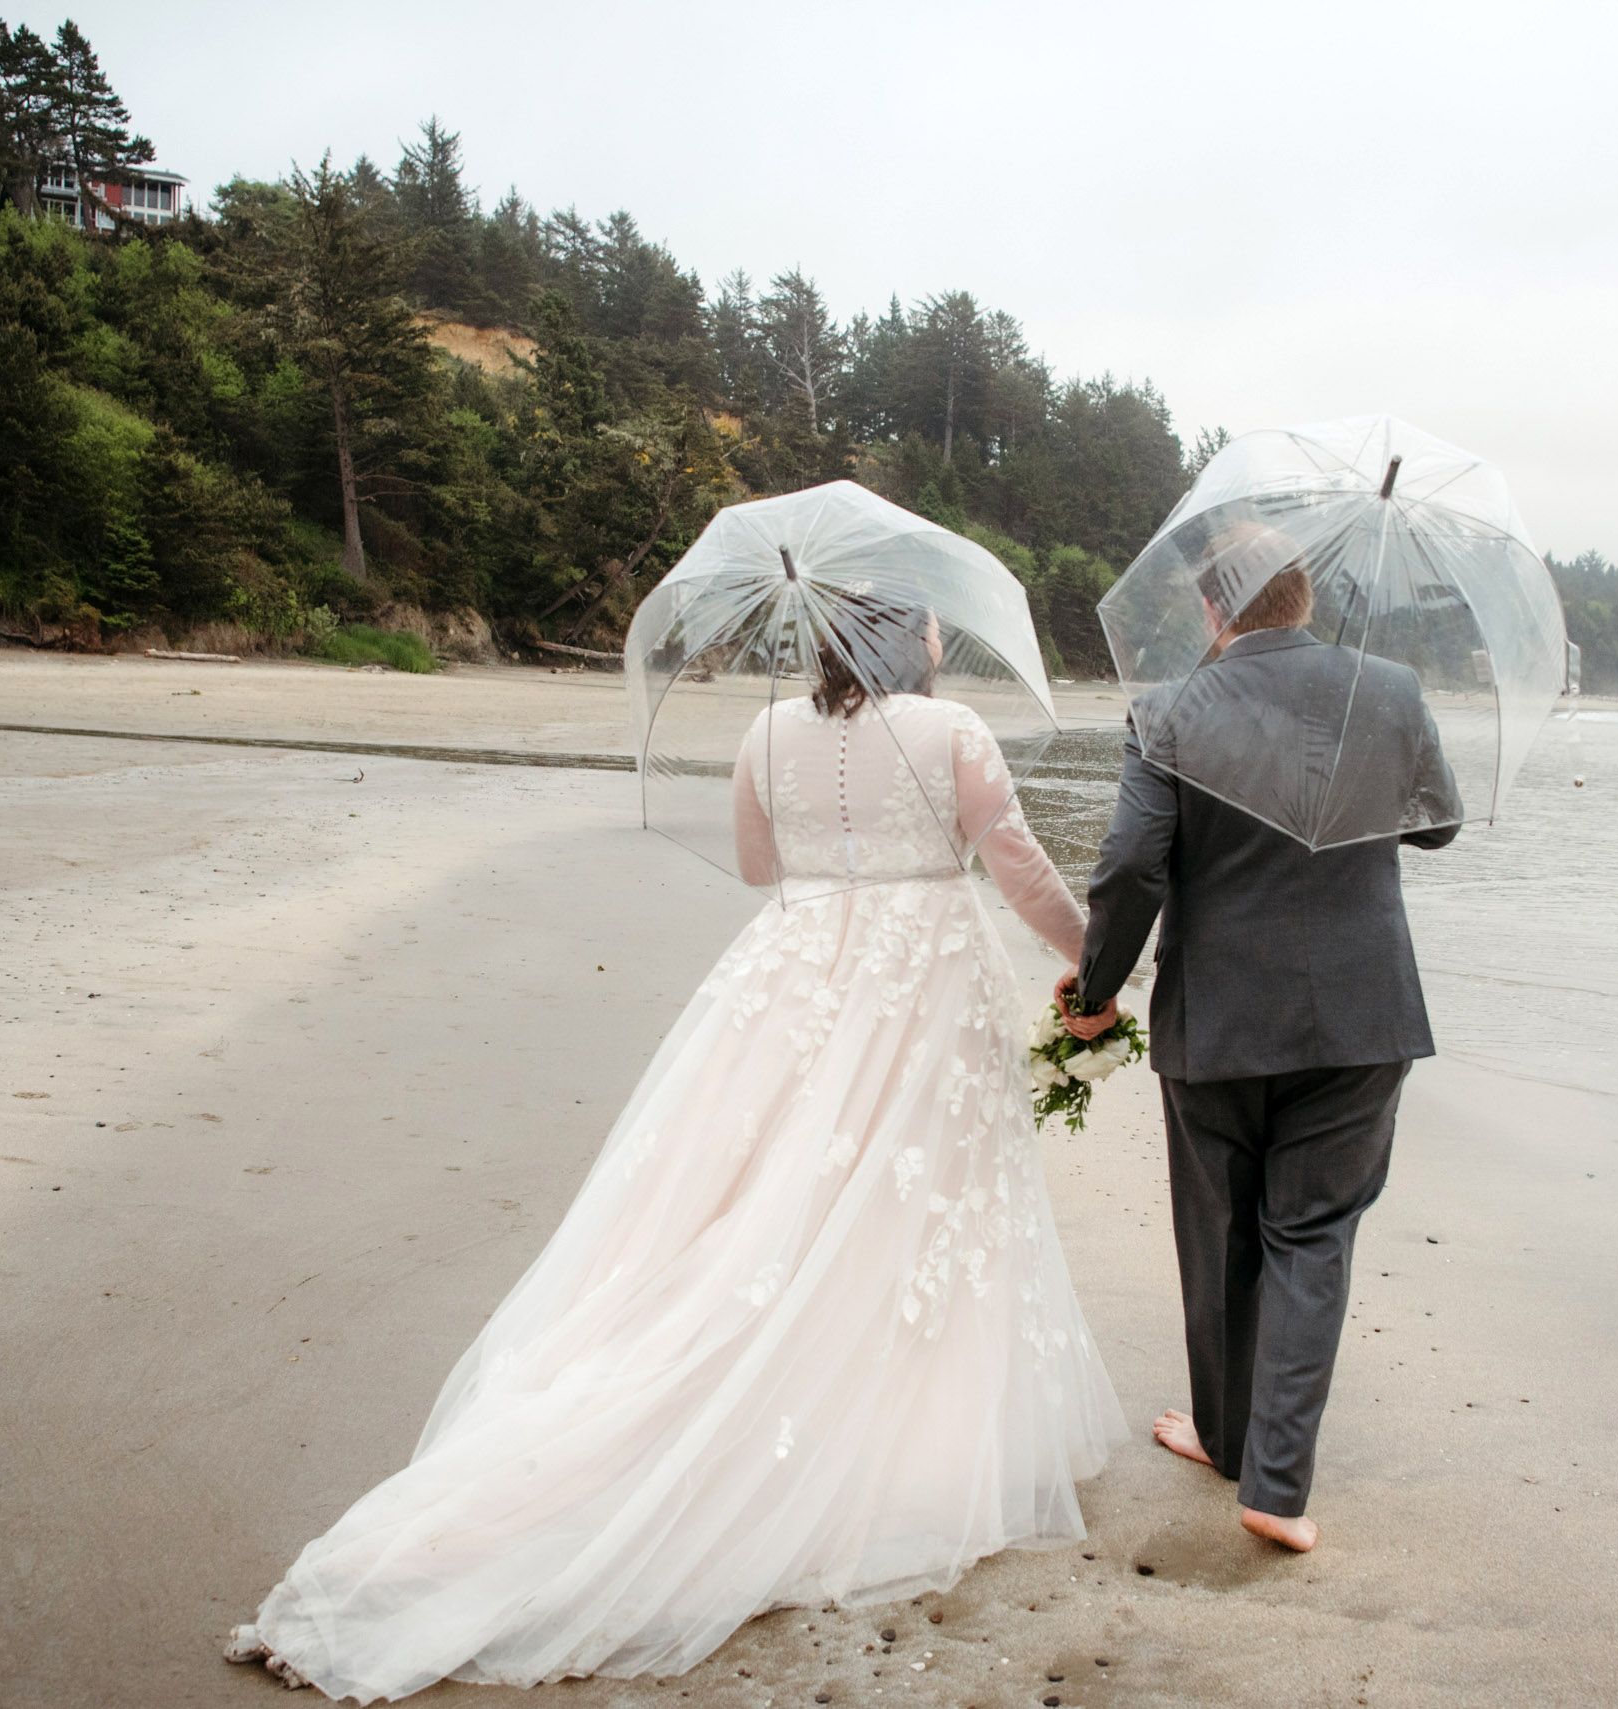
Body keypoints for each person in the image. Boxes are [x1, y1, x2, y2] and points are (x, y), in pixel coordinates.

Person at [227, 595, 1124, 1699]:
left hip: (793, 971)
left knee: (768, 1189)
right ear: (910, 643)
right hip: (923, 978)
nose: (942, 639)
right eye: (933, 627)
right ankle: (906, 1428)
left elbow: (758, 867)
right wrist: (1099, 962)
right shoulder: (955, 734)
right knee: (916, 1194)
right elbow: (1020, 867)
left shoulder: (764, 732)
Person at [1059, 526, 1460, 1553]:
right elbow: (1438, 824)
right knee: (1310, 1234)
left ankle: (1229, 1438)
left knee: (1219, 1230)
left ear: (1212, 610)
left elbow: (1133, 865)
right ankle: (1270, 1482)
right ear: (1305, 598)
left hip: (1220, 1015)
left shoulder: (1169, 710)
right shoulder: (1391, 689)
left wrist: (1096, 992)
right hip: (1362, 1015)